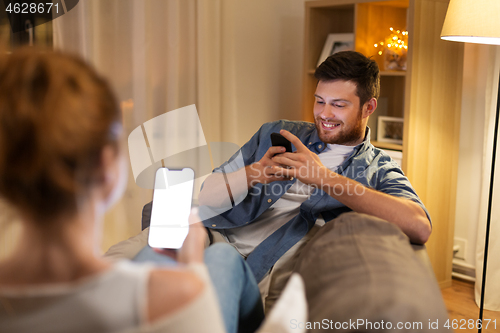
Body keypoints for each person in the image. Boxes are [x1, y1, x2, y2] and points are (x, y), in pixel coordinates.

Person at [0, 47, 263, 333]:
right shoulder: (176, 296)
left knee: (156, 254)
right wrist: (193, 271)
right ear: (106, 165)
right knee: (222, 257)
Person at [197, 51, 431, 284]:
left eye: (338, 105)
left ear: (369, 107)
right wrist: (254, 173)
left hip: (258, 265)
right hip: (216, 234)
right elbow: (205, 195)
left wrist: (324, 178)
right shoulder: (277, 132)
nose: (324, 114)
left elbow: (420, 227)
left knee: (214, 268)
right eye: (319, 101)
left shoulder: (378, 168)